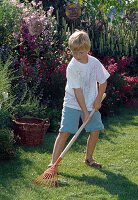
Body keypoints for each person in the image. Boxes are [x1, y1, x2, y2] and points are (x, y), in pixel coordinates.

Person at [49, 30, 110, 168]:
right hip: (73, 103)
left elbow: (103, 81)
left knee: (95, 130)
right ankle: (53, 164)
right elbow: (77, 91)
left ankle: (89, 158)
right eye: (74, 52)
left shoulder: (94, 63)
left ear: (88, 49)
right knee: (64, 131)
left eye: (81, 52)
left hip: (91, 103)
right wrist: (85, 112)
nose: (77, 55)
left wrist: (98, 100)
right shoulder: (72, 67)